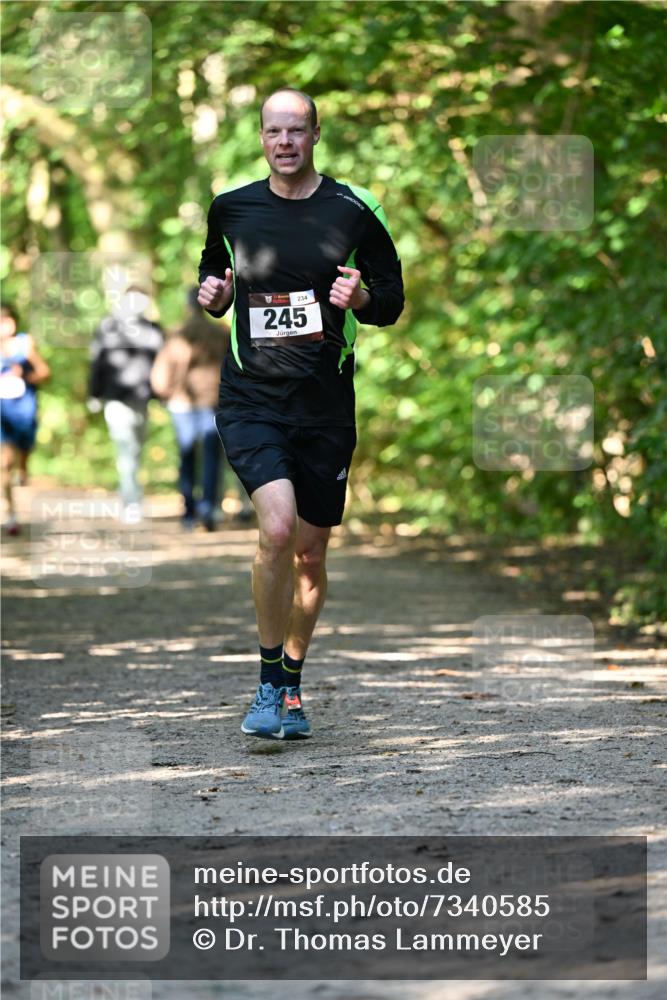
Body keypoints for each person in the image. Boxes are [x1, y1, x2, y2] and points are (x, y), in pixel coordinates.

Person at [197, 87, 404, 740]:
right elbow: (213, 281)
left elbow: (390, 300)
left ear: (316, 134)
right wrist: (214, 295)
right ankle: (265, 685)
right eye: (271, 132)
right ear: (260, 138)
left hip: (324, 408)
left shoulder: (354, 208)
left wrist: (361, 297)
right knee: (278, 530)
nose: (283, 142)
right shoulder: (231, 207)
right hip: (251, 398)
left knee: (310, 558)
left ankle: (291, 681)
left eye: (295, 131)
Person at [151, 288, 230, 531]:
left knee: (187, 456)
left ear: (187, 306)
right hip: (212, 402)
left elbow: (161, 373)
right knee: (211, 457)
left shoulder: (177, 334)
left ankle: (188, 512)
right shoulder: (220, 333)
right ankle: (208, 509)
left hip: (181, 403)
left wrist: (162, 392)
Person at [88, 286, 163, 522]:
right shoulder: (107, 327)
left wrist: (163, 395)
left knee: (135, 450)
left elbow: (163, 364)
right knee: (125, 451)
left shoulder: (153, 329)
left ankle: (130, 496)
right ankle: (131, 502)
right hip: (115, 398)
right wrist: (94, 394)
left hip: (141, 399)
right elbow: (96, 362)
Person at [0, 303, 51, 535]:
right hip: (2, 413)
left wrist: (25, 374)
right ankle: (11, 514)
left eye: (7, 320)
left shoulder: (24, 343)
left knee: (21, 461)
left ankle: (24, 472)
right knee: (4, 464)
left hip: (24, 410)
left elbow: (44, 372)